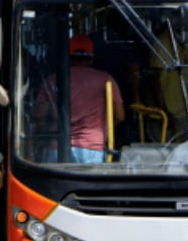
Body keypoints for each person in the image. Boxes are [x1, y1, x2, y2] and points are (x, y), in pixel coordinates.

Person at [34, 34, 125, 162]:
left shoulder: (52, 80)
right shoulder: (106, 80)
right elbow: (120, 116)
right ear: (92, 58)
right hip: (92, 150)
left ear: (67, 57)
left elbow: (39, 115)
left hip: (57, 147)